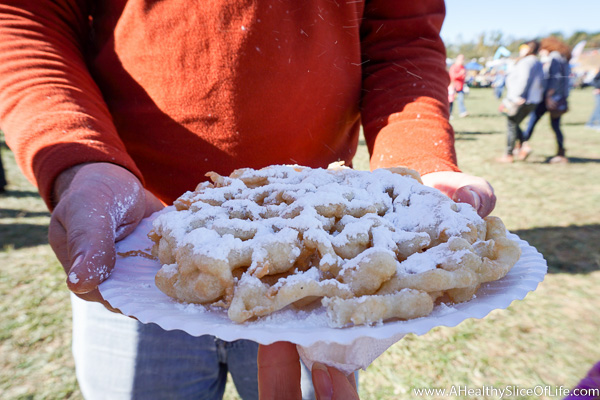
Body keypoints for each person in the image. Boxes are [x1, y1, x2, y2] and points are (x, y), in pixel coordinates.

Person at [0, 2, 496, 399]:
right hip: (135, 254)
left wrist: (416, 170)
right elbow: (26, 17)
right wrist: (82, 160)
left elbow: (403, 36)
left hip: (320, 290)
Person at [520, 36, 572, 163]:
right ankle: (561, 151)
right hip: (558, 97)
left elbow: (555, 78)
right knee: (555, 125)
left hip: (550, 98)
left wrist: (549, 95)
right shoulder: (563, 58)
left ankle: (522, 146)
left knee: (533, 121)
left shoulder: (554, 57)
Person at [496, 41, 544, 163]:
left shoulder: (526, 62)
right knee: (515, 123)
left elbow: (524, 79)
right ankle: (523, 145)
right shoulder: (537, 62)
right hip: (534, 99)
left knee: (512, 123)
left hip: (521, 99)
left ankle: (509, 154)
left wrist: (519, 96)